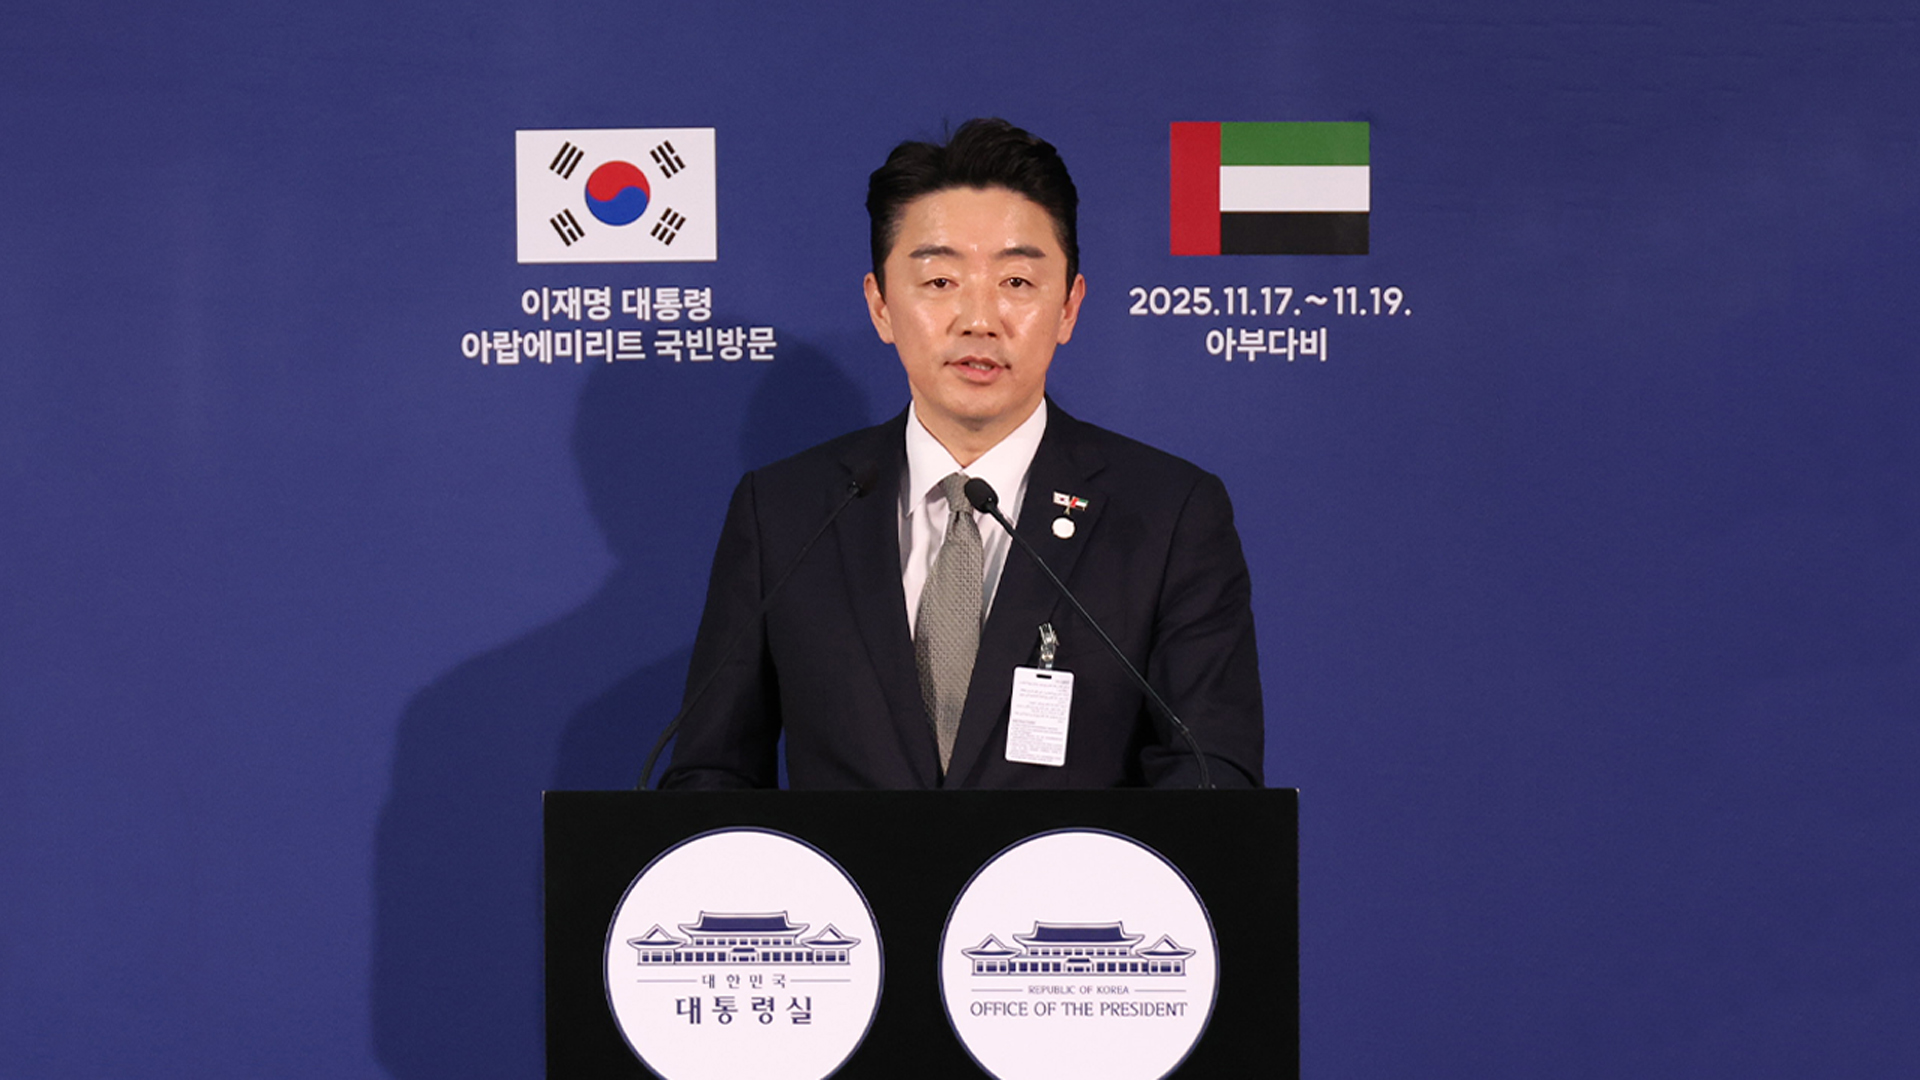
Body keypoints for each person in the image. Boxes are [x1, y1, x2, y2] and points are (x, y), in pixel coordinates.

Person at [658, 118, 1263, 789]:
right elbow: (711, 777)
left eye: (1017, 282)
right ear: (881, 306)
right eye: (941, 281)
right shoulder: (785, 512)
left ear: (1069, 307)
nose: (979, 320)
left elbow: (1211, 780)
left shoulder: (1167, 515)